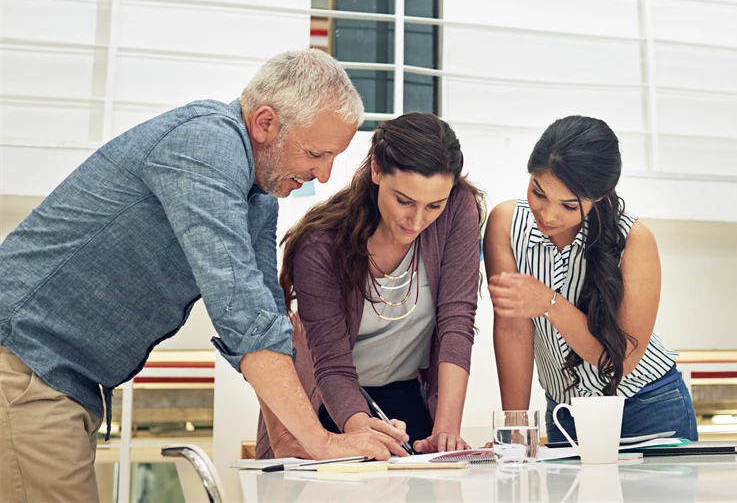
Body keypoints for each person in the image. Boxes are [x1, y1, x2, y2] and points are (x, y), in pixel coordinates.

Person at [0, 49, 406, 503]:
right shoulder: (206, 144)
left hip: (61, 381)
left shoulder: (259, 198)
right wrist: (322, 440)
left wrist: (291, 440)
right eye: (316, 153)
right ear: (265, 122)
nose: (324, 175)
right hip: (24, 364)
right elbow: (240, 311)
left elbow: (267, 312)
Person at [256, 113, 484, 459]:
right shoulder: (320, 246)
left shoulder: (457, 210)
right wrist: (361, 434)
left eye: (433, 205)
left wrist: (446, 432)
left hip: (405, 394)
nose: (418, 220)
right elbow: (331, 364)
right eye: (404, 201)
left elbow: (457, 320)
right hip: (327, 402)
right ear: (376, 170)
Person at [485, 116, 698, 443]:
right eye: (538, 193)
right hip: (565, 413)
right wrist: (517, 427)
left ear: (597, 197)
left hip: (646, 406)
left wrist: (550, 304)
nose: (548, 214)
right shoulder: (505, 223)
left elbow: (621, 362)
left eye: (569, 205)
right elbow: (513, 328)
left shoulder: (634, 240)